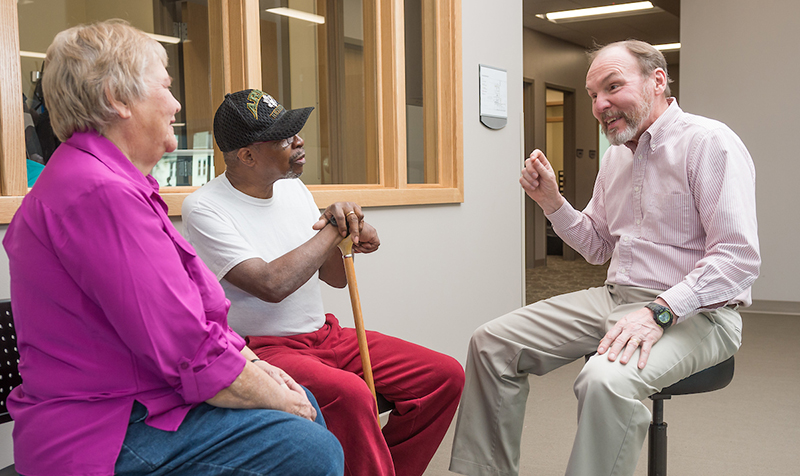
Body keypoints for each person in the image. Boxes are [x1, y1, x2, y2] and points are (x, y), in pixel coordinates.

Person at [3, 21, 344, 476]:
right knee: (311, 448)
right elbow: (186, 348)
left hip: (145, 401)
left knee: (304, 408)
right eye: (164, 86)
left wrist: (256, 367)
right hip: (107, 428)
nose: (176, 104)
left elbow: (196, 316)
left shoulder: (117, 184)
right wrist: (277, 395)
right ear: (117, 99)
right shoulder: (98, 194)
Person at [449, 39, 760, 476]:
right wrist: (552, 203)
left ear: (657, 81)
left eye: (613, 87)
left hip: (699, 313)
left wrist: (659, 312)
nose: (600, 105)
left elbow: (737, 258)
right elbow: (597, 245)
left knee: (603, 380)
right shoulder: (615, 157)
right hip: (616, 297)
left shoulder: (709, 142)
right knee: (491, 343)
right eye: (593, 94)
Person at [181, 89, 465, 476]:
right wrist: (332, 229)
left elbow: (334, 277)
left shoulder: (292, 188)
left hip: (325, 335)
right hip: (264, 350)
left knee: (444, 376)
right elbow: (270, 285)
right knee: (353, 395)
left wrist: (348, 232)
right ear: (247, 156)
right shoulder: (204, 207)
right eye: (285, 138)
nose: (299, 141)